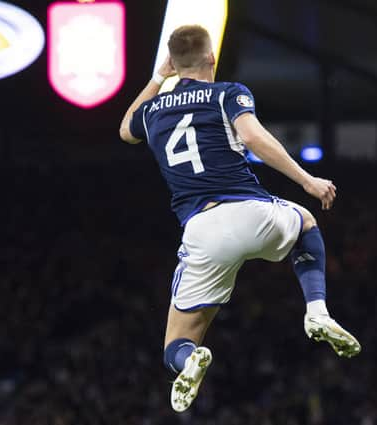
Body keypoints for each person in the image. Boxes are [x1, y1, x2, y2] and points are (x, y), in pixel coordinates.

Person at [119, 25, 361, 412]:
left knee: (176, 344)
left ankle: (190, 361)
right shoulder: (228, 93)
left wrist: (156, 79)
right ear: (211, 57)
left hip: (202, 230)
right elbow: (252, 138)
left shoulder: (151, 112)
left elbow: (124, 130)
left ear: (174, 63)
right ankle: (316, 310)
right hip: (252, 213)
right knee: (306, 223)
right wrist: (307, 180)